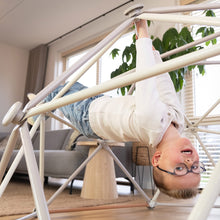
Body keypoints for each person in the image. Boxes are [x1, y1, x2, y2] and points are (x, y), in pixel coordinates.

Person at [29, 20, 205, 199]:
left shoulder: (151, 121)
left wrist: (142, 31)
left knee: (59, 89)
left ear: (157, 159)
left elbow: (146, 79)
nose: (190, 162)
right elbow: (164, 83)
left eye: (180, 168)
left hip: (88, 115)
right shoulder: (178, 121)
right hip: (100, 104)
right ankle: (41, 109)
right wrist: (153, 53)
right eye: (196, 168)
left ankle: (37, 114)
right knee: (65, 89)